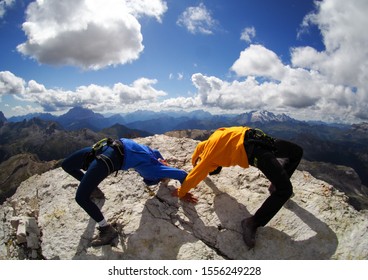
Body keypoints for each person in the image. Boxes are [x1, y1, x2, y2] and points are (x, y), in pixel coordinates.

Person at [171, 126, 303, 249]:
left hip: (256, 152)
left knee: (285, 190)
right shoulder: (216, 135)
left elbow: (194, 176)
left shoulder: (208, 159)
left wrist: (181, 192)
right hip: (260, 139)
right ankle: (256, 217)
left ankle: (251, 222)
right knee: (297, 152)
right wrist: (194, 162)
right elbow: (199, 150)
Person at [62, 137, 188, 247]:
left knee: (80, 197)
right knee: (66, 165)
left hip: (108, 152)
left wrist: (161, 162)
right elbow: (182, 175)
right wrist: (184, 192)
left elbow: (158, 154)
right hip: (107, 150)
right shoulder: (152, 172)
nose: (145, 179)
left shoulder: (152, 154)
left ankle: (106, 229)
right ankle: (92, 188)